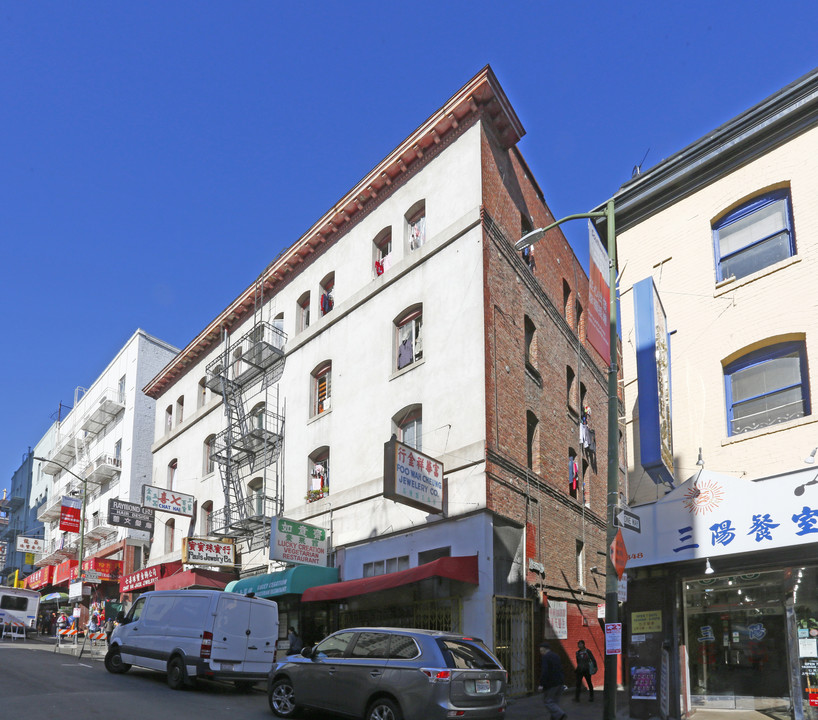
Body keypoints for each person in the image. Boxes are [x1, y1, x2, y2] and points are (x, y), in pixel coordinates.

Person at [537, 641, 566, 720]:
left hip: (551, 683)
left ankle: (561, 715)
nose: (541, 652)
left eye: (541, 651)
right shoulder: (556, 655)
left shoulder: (546, 657)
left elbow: (545, 671)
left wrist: (541, 684)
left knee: (548, 701)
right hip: (559, 682)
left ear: (544, 649)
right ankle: (554, 717)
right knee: (555, 701)